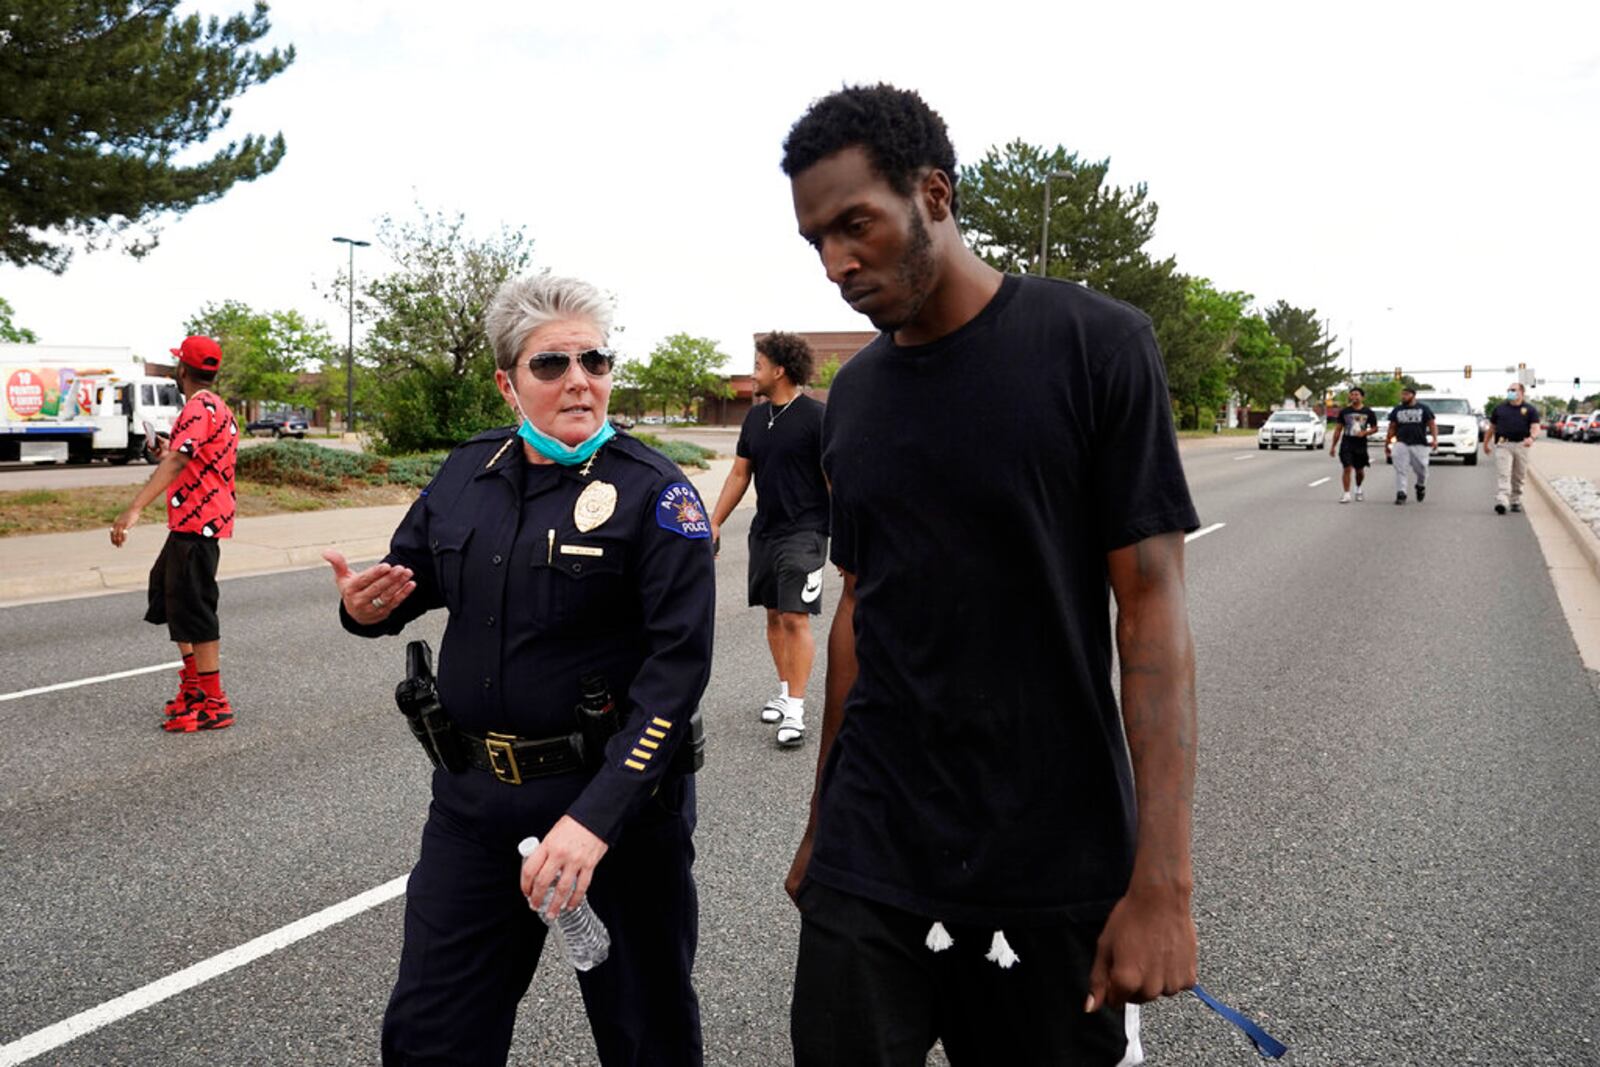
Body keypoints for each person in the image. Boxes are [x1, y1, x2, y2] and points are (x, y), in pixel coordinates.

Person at [779, 84, 1201, 1066]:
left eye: (856, 226)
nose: (838, 263)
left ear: (933, 194)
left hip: (1047, 859)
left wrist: (1162, 883)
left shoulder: (1096, 346)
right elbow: (856, 613)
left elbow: (1151, 615)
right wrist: (821, 825)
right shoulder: (860, 395)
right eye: (816, 242)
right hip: (871, 851)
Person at [323, 274, 714, 1066]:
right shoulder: (466, 474)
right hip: (474, 807)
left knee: (647, 1038)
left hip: (616, 814)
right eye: (552, 363)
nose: (580, 378)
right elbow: (407, 582)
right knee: (431, 1035)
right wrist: (364, 608)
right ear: (508, 382)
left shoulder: (656, 494)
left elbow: (676, 677)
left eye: (596, 360)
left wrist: (596, 818)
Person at [708, 330, 829, 748]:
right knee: (775, 614)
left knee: (796, 616)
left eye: (758, 365)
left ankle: (795, 707)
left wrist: (849, 529)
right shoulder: (756, 418)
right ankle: (784, 689)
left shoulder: (816, 418)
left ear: (779, 370)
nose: (752, 372)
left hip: (806, 531)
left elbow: (834, 480)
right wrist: (716, 520)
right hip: (765, 531)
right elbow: (740, 473)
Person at [110, 335, 238, 732]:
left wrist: (133, 509)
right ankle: (195, 687)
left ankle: (214, 702)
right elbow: (185, 454)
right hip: (189, 523)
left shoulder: (200, 406)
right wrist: (166, 449)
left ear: (182, 369)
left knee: (195, 607)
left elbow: (182, 461)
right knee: (166, 594)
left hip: (199, 525)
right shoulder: (209, 407)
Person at [1485, 382, 1540, 515]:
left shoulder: (1530, 409)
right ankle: (1502, 500)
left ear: (1522, 393)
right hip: (1503, 445)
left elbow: (1535, 427)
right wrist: (1486, 443)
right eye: (1509, 390)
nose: (1511, 392)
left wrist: (1531, 438)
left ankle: (1515, 499)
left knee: (1519, 474)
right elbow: (1492, 427)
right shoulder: (1499, 409)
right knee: (1504, 473)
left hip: (1522, 445)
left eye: (1514, 390)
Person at [1385, 385, 1437, 505]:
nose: (1403, 396)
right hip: (1401, 442)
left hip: (1419, 443)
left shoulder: (1423, 409)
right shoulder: (1397, 409)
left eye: (1406, 394)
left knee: (1422, 469)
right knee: (1400, 469)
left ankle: (1420, 485)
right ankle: (1401, 493)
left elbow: (1432, 424)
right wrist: (1387, 442)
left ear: (1413, 395)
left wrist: (1435, 439)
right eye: (1402, 394)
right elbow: (1392, 426)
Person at [1328, 386, 1378, 503]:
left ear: (1362, 397)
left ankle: (1358, 488)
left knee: (1359, 470)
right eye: (1352, 394)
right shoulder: (1345, 412)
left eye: (1357, 395)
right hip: (1347, 443)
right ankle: (1346, 494)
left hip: (1360, 444)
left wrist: (1365, 432)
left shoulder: (1368, 412)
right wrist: (1333, 446)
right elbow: (1338, 429)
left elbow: (1375, 428)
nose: (1354, 397)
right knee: (1347, 468)